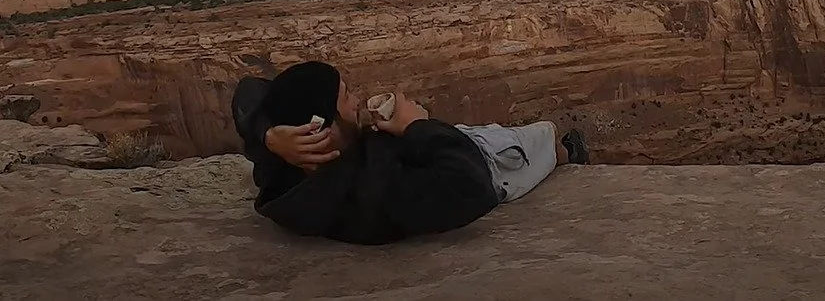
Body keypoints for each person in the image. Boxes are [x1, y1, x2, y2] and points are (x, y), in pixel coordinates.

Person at [231, 60, 589, 245]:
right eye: (346, 97)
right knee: (543, 134)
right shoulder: (376, 195)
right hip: (482, 162)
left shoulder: (283, 165)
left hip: (432, 145)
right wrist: (417, 124)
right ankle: (570, 155)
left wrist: (267, 134)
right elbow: (472, 187)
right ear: (318, 129)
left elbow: (250, 90)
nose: (356, 101)